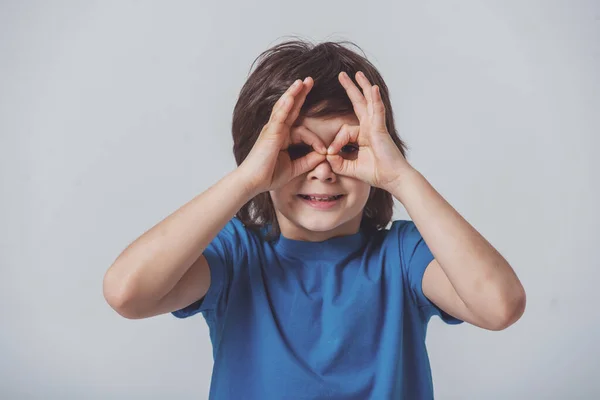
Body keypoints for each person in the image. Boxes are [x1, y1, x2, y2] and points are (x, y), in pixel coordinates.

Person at [103, 39, 526, 399]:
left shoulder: (403, 255)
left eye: (348, 150)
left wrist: (401, 177)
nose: (323, 170)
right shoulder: (235, 255)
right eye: (297, 150)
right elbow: (127, 293)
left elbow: (500, 306)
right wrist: (248, 179)